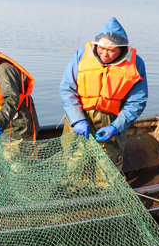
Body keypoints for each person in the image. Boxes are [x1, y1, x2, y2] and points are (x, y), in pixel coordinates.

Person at [60, 17, 148, 172]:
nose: (105, 54)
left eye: (111, 50)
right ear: (96, 44)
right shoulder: (81, 55)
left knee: (109, 163)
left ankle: (108, 193)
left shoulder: (135, 63)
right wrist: (76, 119)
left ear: (121, 49)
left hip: (111, 119)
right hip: (80, 115)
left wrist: (116, 127)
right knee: (75, 159)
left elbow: (137, 101)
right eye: (102, 48)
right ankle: (75, 191)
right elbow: (67, 89)